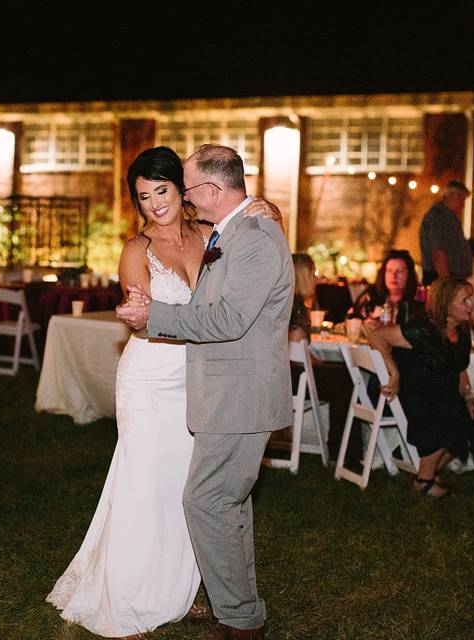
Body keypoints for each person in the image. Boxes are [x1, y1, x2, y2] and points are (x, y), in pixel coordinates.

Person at [48, 146, 282, 639]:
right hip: (153, 378)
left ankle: (181, 590)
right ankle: (130, 599)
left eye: (163, 190)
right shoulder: (137, 250)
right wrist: (145, 313)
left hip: (206, 377)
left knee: (191, 490)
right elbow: (145, 318)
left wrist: (265, 207)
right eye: (143, 196)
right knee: (147, 485)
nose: (154, 203)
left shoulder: (214, 234)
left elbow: (244, 269)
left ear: (185, 191)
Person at [116, 144, 293, 640]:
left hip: (237, 391)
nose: (183, 199)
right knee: (223, 501)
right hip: (210, 386)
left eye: (185, 189)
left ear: (211, 190)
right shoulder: (229, 231)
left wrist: (155, 316)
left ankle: (240, 619)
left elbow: (231, 318)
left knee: (206, 500)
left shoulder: (249, 236)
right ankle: (238, 613)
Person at [368, 278, 474, 497]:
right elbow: (376, 335)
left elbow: (460, 369)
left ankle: (429, 471)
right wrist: (394, 372)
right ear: (446, 305)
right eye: (464, 301)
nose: (471, 305)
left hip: (438, 393)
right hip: (409, 393)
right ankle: (424, 480)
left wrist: (470, 398)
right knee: (450, 411)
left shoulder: (461, 331)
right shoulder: (422, 328)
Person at [350, 249, 422, 328]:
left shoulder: (417, 300)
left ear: (409, 275)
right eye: (389, 271)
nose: (394, 276)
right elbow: (352, 316)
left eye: (399, 271)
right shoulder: (372, 294)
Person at [419, 180, 473, 285]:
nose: (462, 203)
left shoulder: (450, 219)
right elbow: (438, 252)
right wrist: (446, 283)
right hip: (441, 277)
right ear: (450, 195)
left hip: (450, 277)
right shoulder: (438, 218)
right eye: (460, 198)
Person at [289, 252, 316, 342]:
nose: (316, 279)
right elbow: (295, 354)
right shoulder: (294, 316)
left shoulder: (295, 306)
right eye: (313, 274)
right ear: (302, 278)